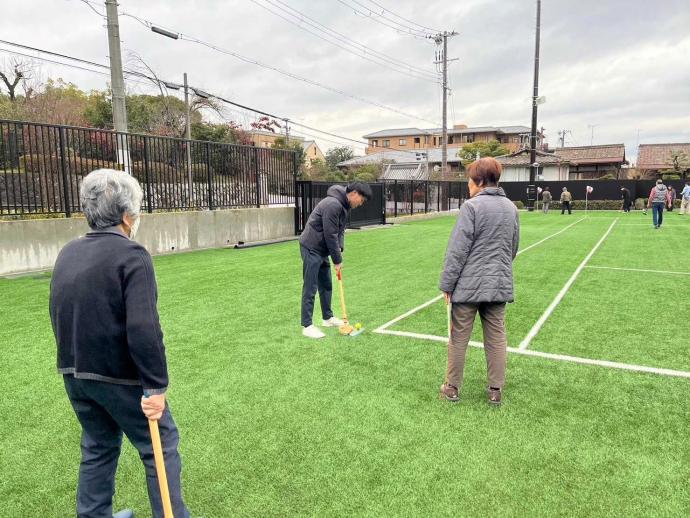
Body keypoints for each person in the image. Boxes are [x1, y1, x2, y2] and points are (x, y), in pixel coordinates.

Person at [49, 169, 190, 518]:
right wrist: (156, 386)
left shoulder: (68, 251)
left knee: (98, 446)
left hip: (75, 372)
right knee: (160, 446)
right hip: (120, 379)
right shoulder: (133, 255)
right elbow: (144, 328)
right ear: (128, 215)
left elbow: (58, 310)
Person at [438, 157, 519, 406]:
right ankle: (495, 390)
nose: (469, 186)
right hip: (498, 285)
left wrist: (446, 285)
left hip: (468, 286)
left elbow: (457, 250)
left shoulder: (471, 207)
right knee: (496, 337)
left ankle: (452, 387)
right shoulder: (511, 208)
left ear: (480, 181)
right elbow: (513, 248)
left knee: (459, 337)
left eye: (471, 181)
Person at [299, 181, 372, 338]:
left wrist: (340, 250)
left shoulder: (344, 206)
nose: (361, 204)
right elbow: (330, 234)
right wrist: (337, 260)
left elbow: (340, 232)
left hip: (322, 249)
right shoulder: (333, 204)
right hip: (312, 246)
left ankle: (327, 317)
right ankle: (307, 325)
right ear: (354, 194)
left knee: (326, 284)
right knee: (310, 285)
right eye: (362, 200)